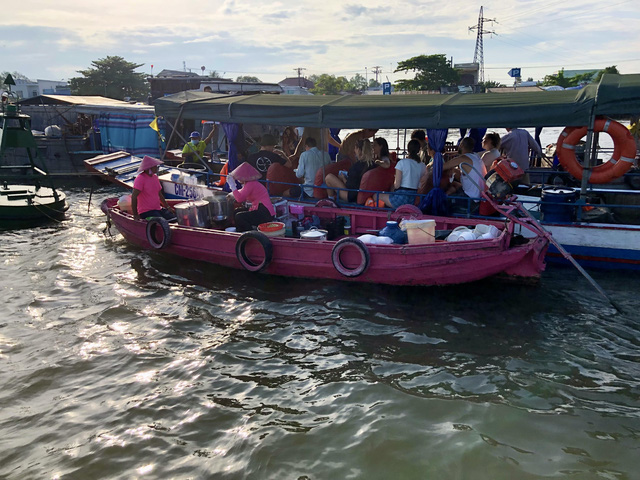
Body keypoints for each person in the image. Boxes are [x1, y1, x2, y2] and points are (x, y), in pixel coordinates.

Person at [227, 162, 276, 232]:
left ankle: (249, 233)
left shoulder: (251, 184)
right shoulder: (249, 184)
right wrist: (231, 194)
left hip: (264, 212)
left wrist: (232, 185)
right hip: (259, 209)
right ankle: (240, 232)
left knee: (239, 216)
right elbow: (241, 192)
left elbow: (239, 199)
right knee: (237, 211)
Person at [379, 140, 426, 209]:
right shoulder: (422, 165)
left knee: (376, 196)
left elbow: (397, 185)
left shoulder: (402, 163)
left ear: (408, 149)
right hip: (412, 199)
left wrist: (392, 187)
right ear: (419, 150)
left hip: (400, 199)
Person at [442, 137, 487, 201]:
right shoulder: (475, 156)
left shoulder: (462, 158)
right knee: (454, 184)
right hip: (479, 195)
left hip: (471, 198)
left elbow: (442, 167)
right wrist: (454, 170)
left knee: (445, 198)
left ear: (461, 145)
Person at [131, 156, 175, 221]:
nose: (156, 168)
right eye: (155, 166)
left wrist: (167, 207)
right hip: (146, 211)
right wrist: (135, 214)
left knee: (174, 218)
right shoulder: (140, 179)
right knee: (161, 220)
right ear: (149, 168)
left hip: (157, 209)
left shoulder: (155, 177)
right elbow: (134, 197)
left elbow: (159, 194)